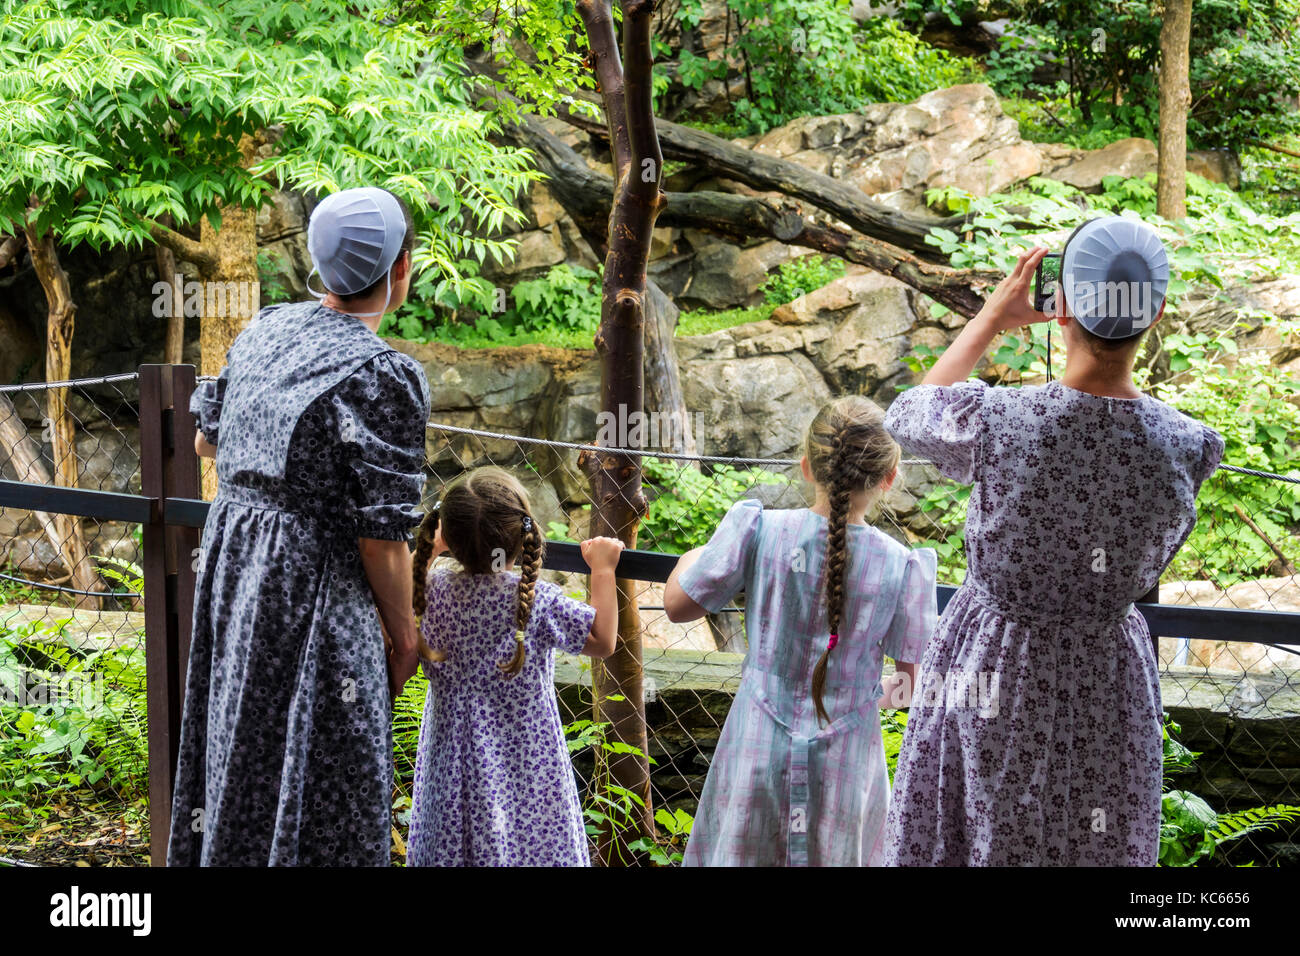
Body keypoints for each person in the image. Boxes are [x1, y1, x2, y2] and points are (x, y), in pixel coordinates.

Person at [883, 216, 1225, 866]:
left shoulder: (1003, 421)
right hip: (1108, 675)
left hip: (990, 659)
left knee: (977, 833)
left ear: (1060, 307)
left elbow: (909, 415)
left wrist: (991, 319)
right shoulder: (1186, 445)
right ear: (1155, 313)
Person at [168, 187, 430, 866]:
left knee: (240, 751)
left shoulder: (267, 329)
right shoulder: (384, 375)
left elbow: (207, 443)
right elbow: (381, 535)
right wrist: (404, 634)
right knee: (330, 774)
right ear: (401, 269)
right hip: (312, 595)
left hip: (238, 579)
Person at [663, 396, 937, 866]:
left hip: (757, 750)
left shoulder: (758, 530)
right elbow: (911, 687)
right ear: (889, 478)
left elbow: (677, 606)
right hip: (847, 766)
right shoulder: (902, 567)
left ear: (807, 467)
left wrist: (691, 559)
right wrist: (865, 692)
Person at [406, 467, 623, 866]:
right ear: (521, 534)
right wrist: (604, 570)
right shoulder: (539, 600)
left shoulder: (429, 589)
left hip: (449, 757)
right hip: (527, 756)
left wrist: (429, 551)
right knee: (530, 844)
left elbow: (403, 585)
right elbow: (604, 640)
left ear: (447, 535)